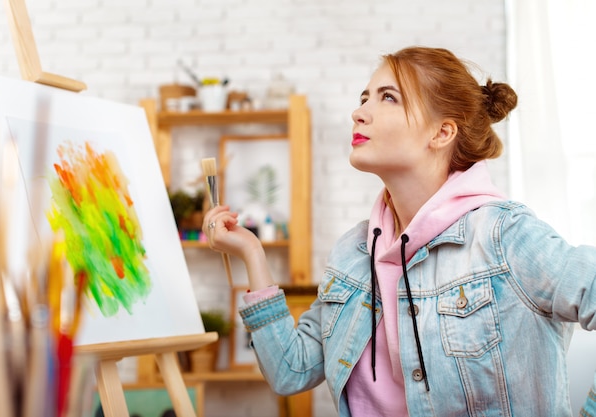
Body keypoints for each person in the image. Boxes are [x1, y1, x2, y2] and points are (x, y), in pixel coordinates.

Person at [202, 46, 596, 416]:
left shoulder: (504, 236)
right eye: (364, 97)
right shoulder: (354, 252)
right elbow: (291, 370)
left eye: (388, 97)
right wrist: (252, 253)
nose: (359, 113)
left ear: (441, 133)